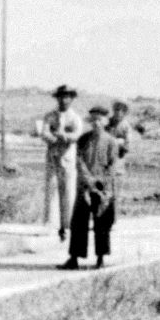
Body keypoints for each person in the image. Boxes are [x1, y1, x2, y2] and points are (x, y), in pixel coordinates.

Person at [60, 106, 119, 270]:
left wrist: (101, 182)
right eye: (93, 120)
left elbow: (113, 166)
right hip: (85, 187)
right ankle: (74, 259)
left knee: (102, 224)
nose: (96, 123)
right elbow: (79, 161)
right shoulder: (83, 139)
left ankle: (100, 259)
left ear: (106, 121)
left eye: (99, 120)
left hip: (103, 189)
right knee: (78, 222)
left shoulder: (111, 142)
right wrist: (89, 181)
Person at [40, 84, 83, 241]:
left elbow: (77, 134)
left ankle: (68, 225)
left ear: (71, 99)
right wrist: (53, 138)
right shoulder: (50, 116)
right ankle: (51, 224)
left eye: (67, 97)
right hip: (52, 156)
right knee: (52, 188)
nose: (64, 100)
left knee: (68, 190)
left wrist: (63, 136)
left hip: (68, 157)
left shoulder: (75, 117)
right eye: (61, 97)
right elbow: (44, 133)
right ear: (57, 98)